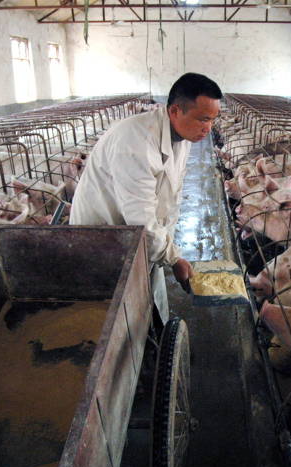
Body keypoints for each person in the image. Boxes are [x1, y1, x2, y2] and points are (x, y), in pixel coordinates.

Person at [69, 73, 222, 325]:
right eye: (203, 119)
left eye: (213, 120)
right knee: (111, 315)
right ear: (175, 111)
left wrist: (167, 248)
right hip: (104, 236)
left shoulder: (182, 137)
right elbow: (140, 217)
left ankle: (152, 328)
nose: (209, 128)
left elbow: (169, 195)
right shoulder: (134, 143)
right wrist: (172, 258)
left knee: (143, 301)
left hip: (138, 235)